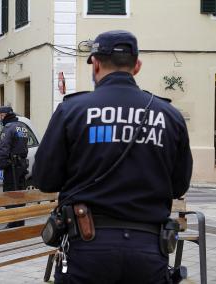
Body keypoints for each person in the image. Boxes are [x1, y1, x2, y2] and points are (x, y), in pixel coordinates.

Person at [32, 30, 193, 283]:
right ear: (137, 66)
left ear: (95, 63)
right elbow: (179, 185)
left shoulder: (71, 110)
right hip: (149, 248)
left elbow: (45, 179)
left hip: (87, 246)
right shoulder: (169, 115)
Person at [0, 106, 29, 228]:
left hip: (12, 167)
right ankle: (20, 222)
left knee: (10, 195)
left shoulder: (8, 128)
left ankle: (13, 223)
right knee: (20, 195)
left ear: (3, 115)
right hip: (22, 165)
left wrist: (1, 167)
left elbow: (4, 148)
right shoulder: (22, 126)